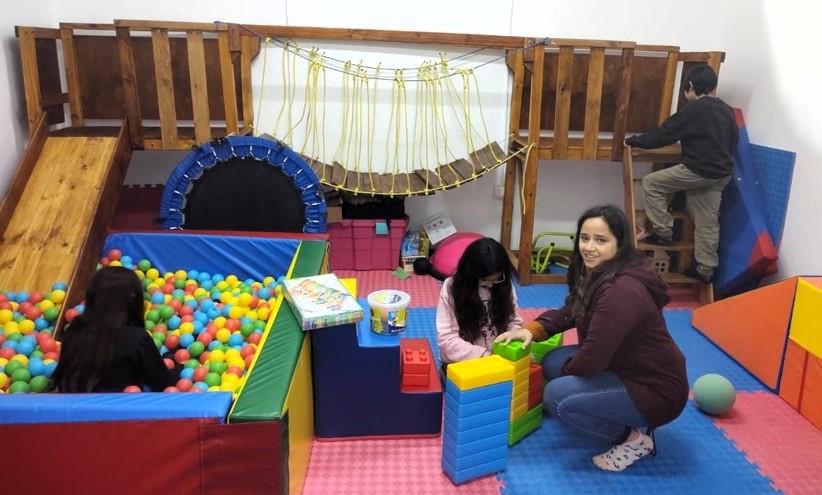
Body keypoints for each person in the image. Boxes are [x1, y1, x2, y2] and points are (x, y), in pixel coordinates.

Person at [495, 205, 688, 472]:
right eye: (584, 238)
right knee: (552, 361)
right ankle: (600, 404)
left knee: (557, 397)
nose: (589, 247)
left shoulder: (622, 290)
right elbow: (574, 308)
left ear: (619, 244)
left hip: (655, 389)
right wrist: (533, 330)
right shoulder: (601, 271)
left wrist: (567, 382)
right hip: (624, 366)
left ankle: (633, 441)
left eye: (601, 240)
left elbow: (591, 360)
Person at [625, 64, 738, 284]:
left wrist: (634, 141)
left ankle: (663, 231)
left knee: (652, 183)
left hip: (698, 169)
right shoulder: (726, 110)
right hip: (721, 173)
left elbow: (665, 134)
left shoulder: (694, 109)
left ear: (690, 87)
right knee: (707, 221)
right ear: (713, 87)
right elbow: (734, 139)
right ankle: (705, 269)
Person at [51, 266, 177, 393]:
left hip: (75, 409)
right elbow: (162, 383)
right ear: (133, 297)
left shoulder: (74, 330)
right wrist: (178, 366)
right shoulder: (136, 338)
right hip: (120, 409)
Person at [436, 237, 524, 368]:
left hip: (500, 358)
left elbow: (514, 322)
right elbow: (447, 339)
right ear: (471, 274)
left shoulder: (504, 284)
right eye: (485, 281)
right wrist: (484, 356)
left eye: (497, 279)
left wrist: (512, 342)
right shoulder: (452, 288)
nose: (491, 285)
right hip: (463, 361)